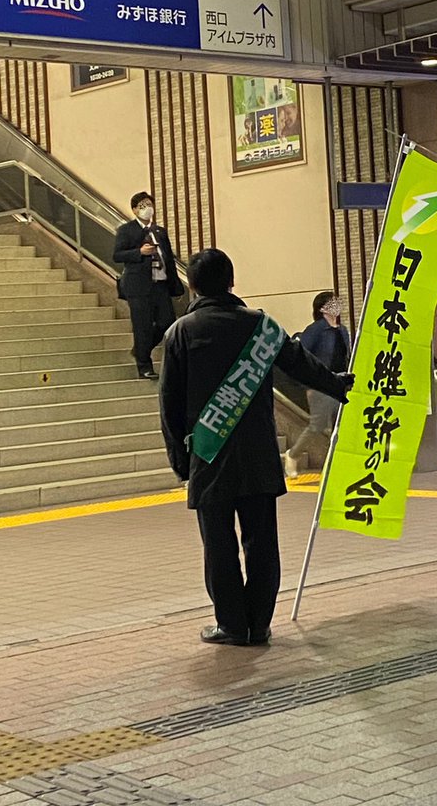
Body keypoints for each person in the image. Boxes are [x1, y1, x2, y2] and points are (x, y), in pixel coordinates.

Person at [159, 250, 353, 648]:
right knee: (262, 542)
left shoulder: (181, 332)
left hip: (209, 455)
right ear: (232, 281)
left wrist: (181, 463)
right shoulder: (261, 326)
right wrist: (339, 385)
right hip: (259, 453)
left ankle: (232, 625)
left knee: (219, 545)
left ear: (192, 285)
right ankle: (259, 623)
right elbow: (301, 365)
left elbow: (170, 405)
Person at [113, 192, 184, 380]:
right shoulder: (127, 230)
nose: (147, 208)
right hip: (138, 286)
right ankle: (144, 366)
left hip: (160, 283)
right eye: (142, 205)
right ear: (135, 209)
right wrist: (139, 252)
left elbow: (169, 260)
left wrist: (175, 285)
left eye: (149, 204)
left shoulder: (160, 231)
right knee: (142, 325)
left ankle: (140, 350)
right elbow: (117, 255)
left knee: (167, 322)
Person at [284, 291, 350, 478]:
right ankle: (293, 454)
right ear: (322, 309)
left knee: (340, 425)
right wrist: (308, 385)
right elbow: (301, 357)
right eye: (333, 303)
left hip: (341, 383)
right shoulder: (315, 330)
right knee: (318, 425)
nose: (337, 306)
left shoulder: (342, 330)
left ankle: (336, 463)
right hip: (320, 384)